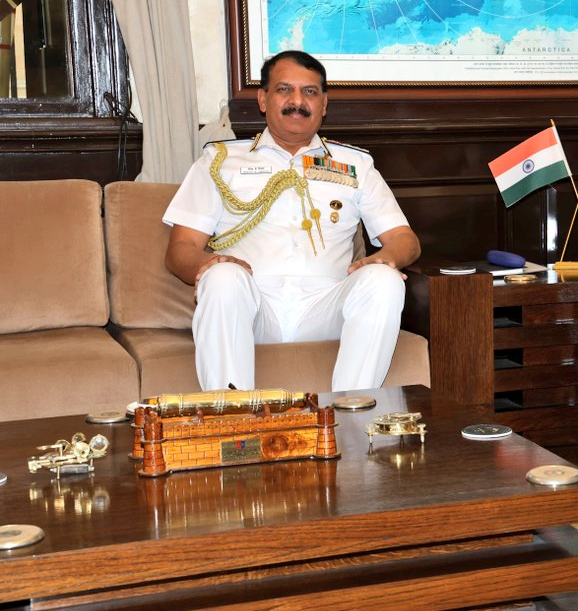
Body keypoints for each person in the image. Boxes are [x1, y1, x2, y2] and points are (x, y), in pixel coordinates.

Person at [164, 50, 420, 392]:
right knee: (223, 277)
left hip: (326, 308)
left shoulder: (356, 165)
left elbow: (405, 239)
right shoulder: (221, 160)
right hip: (254, 307)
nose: (297, 101)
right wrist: (210, 263)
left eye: (310, 92)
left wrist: (385, 259)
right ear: (263, 99)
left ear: (324, 104)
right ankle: (231, 422)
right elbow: (180, 249)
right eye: (285, 90)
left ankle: (350, 417)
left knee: (385, 280)